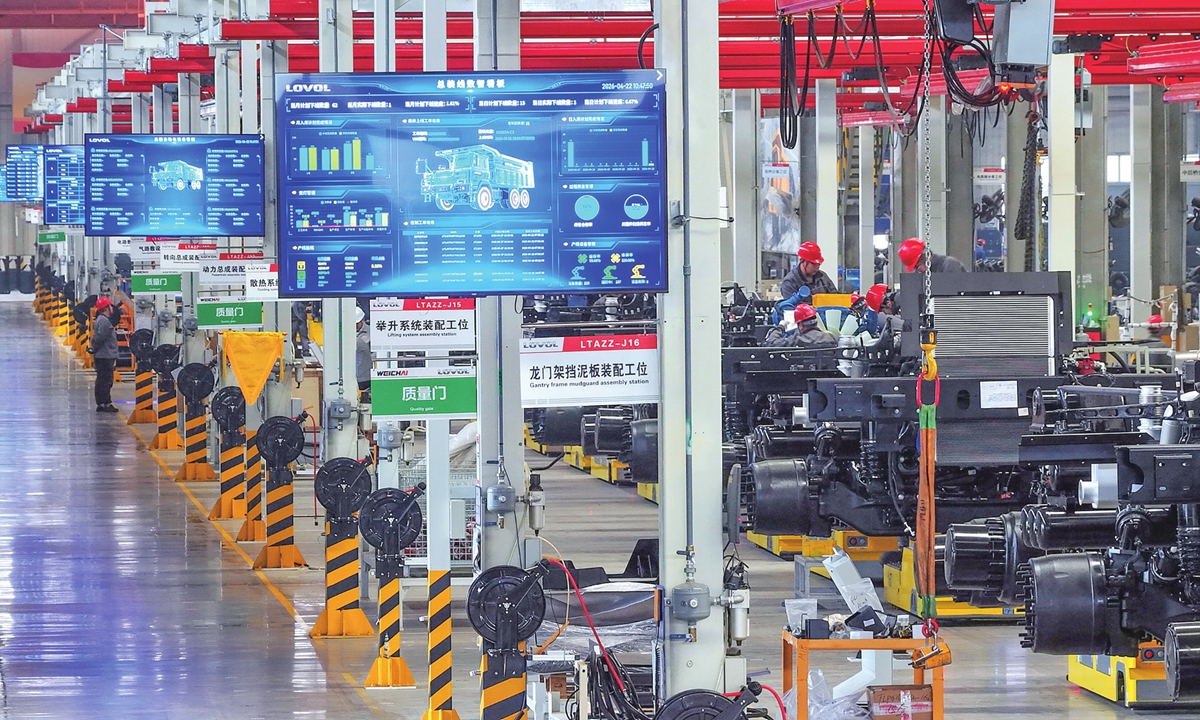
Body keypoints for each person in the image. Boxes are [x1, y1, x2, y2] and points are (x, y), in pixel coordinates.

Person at [89, 296, 120, 413]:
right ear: (107, 308)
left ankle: (103, 403)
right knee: (106, 381)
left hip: (103, 355)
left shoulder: (101, 320)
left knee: (103, 380)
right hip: (104, 356)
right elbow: (99, 337)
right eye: (110, 306)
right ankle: (105, 403)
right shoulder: (104, 322)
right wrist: (94, 348)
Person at [763, 304, 839, 348]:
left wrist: (781, 327)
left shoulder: (796, 341)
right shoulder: (833, 338)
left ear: (801, 326)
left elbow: (772, 343)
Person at [898, 238, 967, 274]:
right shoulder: (920, 273)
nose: (921, 270)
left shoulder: (949, 264)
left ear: (927, 255)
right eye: (916, 268)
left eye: (919, 265)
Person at [355, 305, 371, 400]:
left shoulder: (370, 332)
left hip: (364, 371)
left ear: (362, 321)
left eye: (356, 324)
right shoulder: (349, 332)